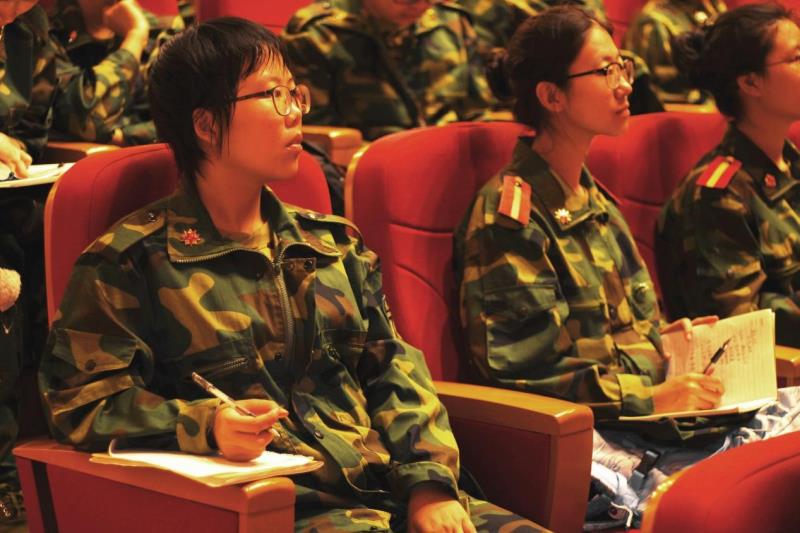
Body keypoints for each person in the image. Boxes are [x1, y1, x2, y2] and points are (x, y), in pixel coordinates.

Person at [38, 17, 542, 532]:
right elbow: (82, 402)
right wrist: (205, 425)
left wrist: (429, 486)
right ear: (207, 126)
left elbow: (393, 369)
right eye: (272, 95)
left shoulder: (333, 244)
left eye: (294, 92)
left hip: (389, 491)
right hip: (283, 510)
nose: (297, 111)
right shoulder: (132, 261)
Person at [451, 6, 800, 526]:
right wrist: (650, 395)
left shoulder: (595, 199)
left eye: (624, 66)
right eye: (604, 71)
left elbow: (622, 330)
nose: (624, 84)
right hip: (603, 438)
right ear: (552, 96)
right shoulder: (512, 219)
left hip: (656, 419)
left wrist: (668, 341)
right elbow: (524, 375)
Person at [658, 4, 800, 347]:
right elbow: (742, 327)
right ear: (751, 82)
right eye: (796, 57)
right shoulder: (718, 195)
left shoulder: (790, 164)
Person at [0, 0, 60, 525]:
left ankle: (44, 459)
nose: (16, 10)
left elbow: (35, 130)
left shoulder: (27, 29)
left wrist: (13, 149)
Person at [282, 0, 493, 141]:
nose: (422, 6)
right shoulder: (317, 34)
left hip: (453, 161)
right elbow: (317, 137)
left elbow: (477, 111)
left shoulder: (453, 23)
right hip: (366, 168)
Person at [460, 0, 664, 114]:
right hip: (534, 103)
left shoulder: (589, 3)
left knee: (634, 71)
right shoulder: (490, 6)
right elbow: (489, 78)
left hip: (584, 100)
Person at [47, 0, 183, 146]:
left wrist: (123, 136)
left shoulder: (164, 32)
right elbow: (85, 120)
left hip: (153, 157)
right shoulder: (48, 33)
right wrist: (135, 38)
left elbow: (184, 122)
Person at [623, 0, 727, 104]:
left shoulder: (702, 11)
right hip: (675, 102)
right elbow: (649, 77)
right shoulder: (653, 22)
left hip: (706, 98)